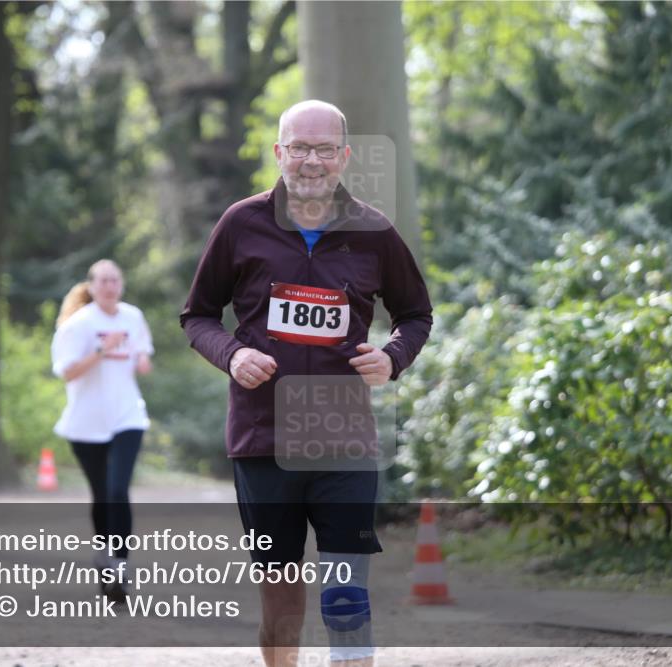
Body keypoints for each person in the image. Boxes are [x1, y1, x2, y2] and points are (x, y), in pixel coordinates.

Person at [180, 100, 432, 667]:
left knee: (346, 595)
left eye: (323, 149)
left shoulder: (374, 232)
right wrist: (233, 352)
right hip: (263, 437)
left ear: (344, 157)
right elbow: (196, 316)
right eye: (299, 147)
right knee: (282, 603)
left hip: (343, 439)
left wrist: (393, 358)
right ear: (279, 152)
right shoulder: (240, 224)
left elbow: (417, 314)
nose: (310, 161)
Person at [51, 259, 154, 603]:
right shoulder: (77, 325)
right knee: (101, 494)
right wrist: (101, 350)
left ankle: (120, 566)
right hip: (86, 424)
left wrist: (142, 361)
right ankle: (105, 556)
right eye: (103, 281)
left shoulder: (133, 317)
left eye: (115, 280)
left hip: (127, 417)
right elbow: (67, 373)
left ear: (121, 285)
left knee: (117, 489)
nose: (110, 286)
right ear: (92, 286)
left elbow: (143, 354)